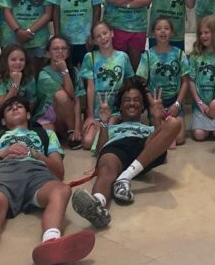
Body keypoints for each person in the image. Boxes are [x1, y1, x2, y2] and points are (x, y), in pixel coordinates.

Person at [0, 97, 95, 265]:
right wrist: (0, 154)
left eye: (19, 106)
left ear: (28, 115)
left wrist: (36, 154)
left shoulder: (46, 134)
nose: (14, 108)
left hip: (36, 173)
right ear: (3, 120)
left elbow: (58, 171)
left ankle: (51, 243)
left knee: (61, 190)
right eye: (9, 108)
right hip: (1, 172)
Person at [70, 79, 185, 229]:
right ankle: (97, 205)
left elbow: (163, 148)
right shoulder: (110, 128)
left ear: (143, 106)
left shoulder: (150, 130)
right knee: (107, 166)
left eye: (136, 100)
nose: (132, 103)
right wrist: (104, 122)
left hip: (143, 148)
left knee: (174, 123)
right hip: (116, 147)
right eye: (127, 100)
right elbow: (100, 150)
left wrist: (157, 118)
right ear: (120, 106)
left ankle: (125, 176)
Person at [78, 21, 135, 147]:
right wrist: (90, 115)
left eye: (105, 33)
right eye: (98, 36)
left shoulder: (123, 57)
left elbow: (128, 84)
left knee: (106, 136)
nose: (103, 38)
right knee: (87, 142)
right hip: (97, 111)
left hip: (115, 111)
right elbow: (90, 87)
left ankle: (110, 130)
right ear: (94, 41)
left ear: (112, 33)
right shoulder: (90, 57)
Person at [136, 17, 191, 146]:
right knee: (161, 137)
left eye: (166, 28)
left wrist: (177, 104)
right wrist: (153, 104)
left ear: (171, 32)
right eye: (159, 29)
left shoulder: (179, 54)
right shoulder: (147, 55)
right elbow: (142, 84)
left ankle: (169, 126)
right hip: (155, 102)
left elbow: (185, 82)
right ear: (153, 32)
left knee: (180, 139)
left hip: (174, 101)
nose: (163, 31)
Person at [34, 35, 80, 147]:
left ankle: (71, 132)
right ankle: (63, 134)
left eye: (63, 48)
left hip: (68, 117)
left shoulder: (74, 71)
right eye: (55, 49)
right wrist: (64, 71)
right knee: (48, 140)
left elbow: (76, 100)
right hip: (48, 117)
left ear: (68, 53)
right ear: (48, 53)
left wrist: (77, 129)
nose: (60, 51)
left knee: (64, 97)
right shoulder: (44, 74)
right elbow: (69, 94)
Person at [0, 44, 38, 129]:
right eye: (13, 59)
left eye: (21, 60)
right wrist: (15, 83)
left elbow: (31, 103)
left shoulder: (29, 77)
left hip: (21, 109)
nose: (18, 62)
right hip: (0, 110)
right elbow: (2, 107)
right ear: (5, 61)